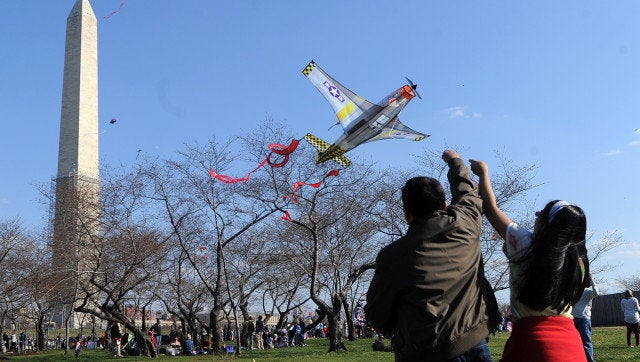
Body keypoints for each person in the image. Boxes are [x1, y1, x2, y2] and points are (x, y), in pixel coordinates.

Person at [365, 150, 501, 361]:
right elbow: (466, 191)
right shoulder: (466, 222)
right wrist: (455, 161)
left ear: (406, 214)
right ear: (445, 205)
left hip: (426, 351)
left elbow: (377, 313)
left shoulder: (392, 255)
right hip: (476, 343)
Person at [470, 159, 590, 361]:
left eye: (539, 214)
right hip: (572, 345)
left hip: (530, 342)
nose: (535, 216)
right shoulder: (580, 263)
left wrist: (483, 172)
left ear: (546, 224)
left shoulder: (526, 244)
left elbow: (490, 209)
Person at [572, 274, 599, 361]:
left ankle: (590, 360)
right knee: (575, 342)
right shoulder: (574, 291)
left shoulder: (588, 292)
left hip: (584, 319)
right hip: (574, 318)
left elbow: (597, 293)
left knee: (586, 342)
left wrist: (592, 281)